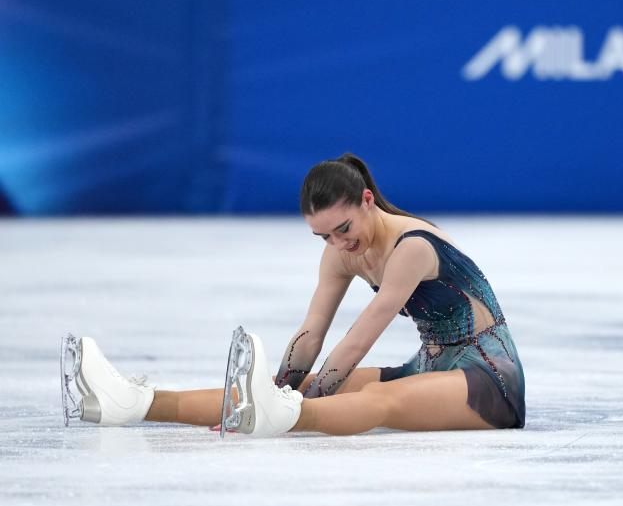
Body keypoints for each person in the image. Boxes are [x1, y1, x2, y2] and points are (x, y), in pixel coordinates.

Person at [60, 153, 526, 437]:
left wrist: (294, 407)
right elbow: (311, 335)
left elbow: (358, 341)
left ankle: (280, 417)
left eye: (343, 228)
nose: (338, 243)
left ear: (367, 200)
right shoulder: (342, 252)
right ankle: (136, 401)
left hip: (488, 377)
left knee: (377, 401)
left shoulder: (413, 247)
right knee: (273, 389)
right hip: (431, 365)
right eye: (324, 236)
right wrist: (284, 388)